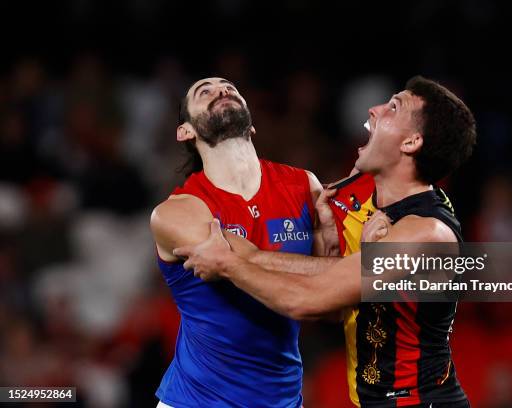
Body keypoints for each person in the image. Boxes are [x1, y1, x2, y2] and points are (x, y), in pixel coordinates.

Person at [174, 76, 477, 407]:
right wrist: (328, 240)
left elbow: (307, 300)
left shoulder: (424, 234)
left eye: (393, 107)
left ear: (411, 142)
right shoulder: (365, 204)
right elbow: (337, 303)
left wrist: (232, 262)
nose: (373, 110)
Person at [150, 77, 337, 407]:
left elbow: (331, 303)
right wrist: (362, 271)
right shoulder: (176, 211)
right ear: (185, 131)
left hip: (284, 399)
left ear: (251, 124)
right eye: (204, 92)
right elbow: (248, 262)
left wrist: (334, 246)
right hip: (196, 400)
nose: (222, 91)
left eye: (230, 88)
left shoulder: (303, 184)